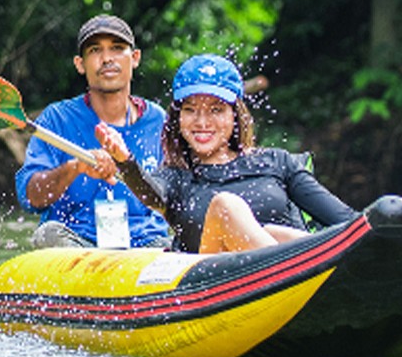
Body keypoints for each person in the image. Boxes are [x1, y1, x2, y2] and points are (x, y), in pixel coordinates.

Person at [107, 53, 357, 254]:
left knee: (275, 232)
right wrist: (124, 161)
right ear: (178, 118)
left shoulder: (277, 163)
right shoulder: (175, 178)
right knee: (225, 206)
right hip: (219, 288)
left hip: (290, 263)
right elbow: (150, 193)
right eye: (191, 110)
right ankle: (298, 272)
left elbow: (344, 220)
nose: (202, 121)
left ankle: (317, 271)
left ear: (235, 116)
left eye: (216, 110)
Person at [13, 14, 173, 249]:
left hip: (146, 244)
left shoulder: (159, 121)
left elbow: (174, 201)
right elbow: (31, 198)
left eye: (117, 48)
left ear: (135, 58)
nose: (107, 58)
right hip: (76, 241)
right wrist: (75, 167)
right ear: (80, 64)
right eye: (95, 50)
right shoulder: (57, 119)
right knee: (47, 234)